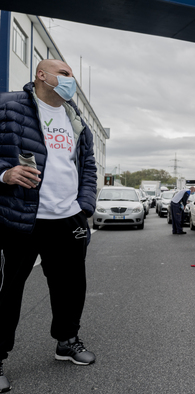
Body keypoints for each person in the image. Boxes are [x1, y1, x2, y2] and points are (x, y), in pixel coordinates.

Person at [0, 59, 98, 392]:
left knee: (71, 286)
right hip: (21, 216)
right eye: (65, 74)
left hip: (67, 217)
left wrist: (84, 207)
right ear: (42, 75)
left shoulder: (75, 117)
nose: (72, 81)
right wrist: (5, 174)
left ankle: (66, 341)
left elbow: (87, 168)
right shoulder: (8, 106)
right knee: (8, 291)